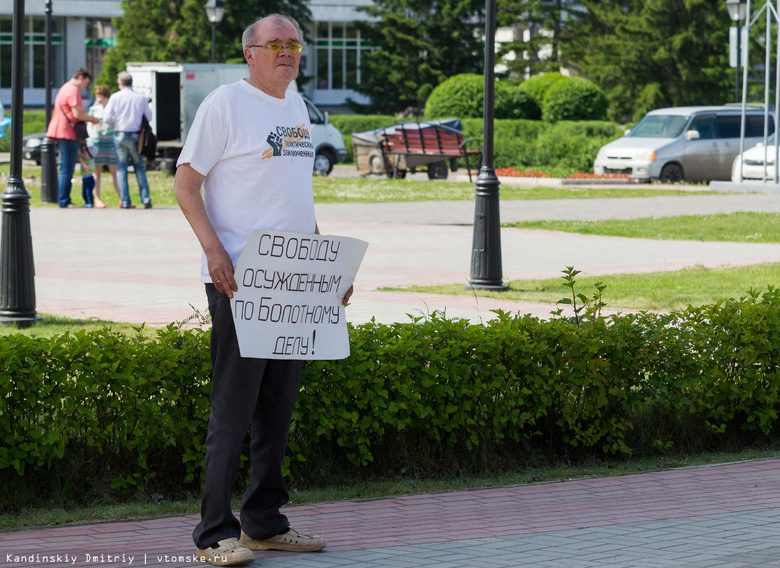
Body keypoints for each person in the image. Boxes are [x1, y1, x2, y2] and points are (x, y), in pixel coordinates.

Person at [174, 13, 353, 567]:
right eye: (274, 44)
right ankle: (213, 533)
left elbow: (294, 196)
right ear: (249, 52)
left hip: (295, 279)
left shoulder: (295, 104)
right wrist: (214, 251)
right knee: (233, 407)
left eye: (294, 44)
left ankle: (264, 521)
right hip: (242, 280)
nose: (286, 52)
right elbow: (185, 182)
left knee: (277, 408)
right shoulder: (225, 105)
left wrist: (326, 269)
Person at [46, 68, 100, 208]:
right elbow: (77, 114)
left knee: (66, 166)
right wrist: (93, 119)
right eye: (85, 83)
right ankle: (64, 201)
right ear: (81, 77)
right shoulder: (73, 90)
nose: (84, 87)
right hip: (67, 132)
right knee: (67, 167)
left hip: (62, 130)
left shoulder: (65, 88)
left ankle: (64, 199)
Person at [102, 71, 153, 209]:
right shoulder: (141, 98)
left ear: (120, 84)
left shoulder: (115, 97)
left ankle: (125, 201)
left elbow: (107, 118)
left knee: (121, 169)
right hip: (136, 136)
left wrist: (115, 122)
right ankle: (146, 199)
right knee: (139, 168)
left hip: (120, 134)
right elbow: (149, 117)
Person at [87, 85, 120, 208]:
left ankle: (122, 198)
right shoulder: (93, 109)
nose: (98, 99)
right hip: (97, 142)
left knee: (115, 171)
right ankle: (97, 199)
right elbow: (89, 125)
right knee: (97, 172)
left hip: (110, 142)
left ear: (106, 97)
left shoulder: (112, 109)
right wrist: (91, 138)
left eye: (100, 96)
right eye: (97, 96)